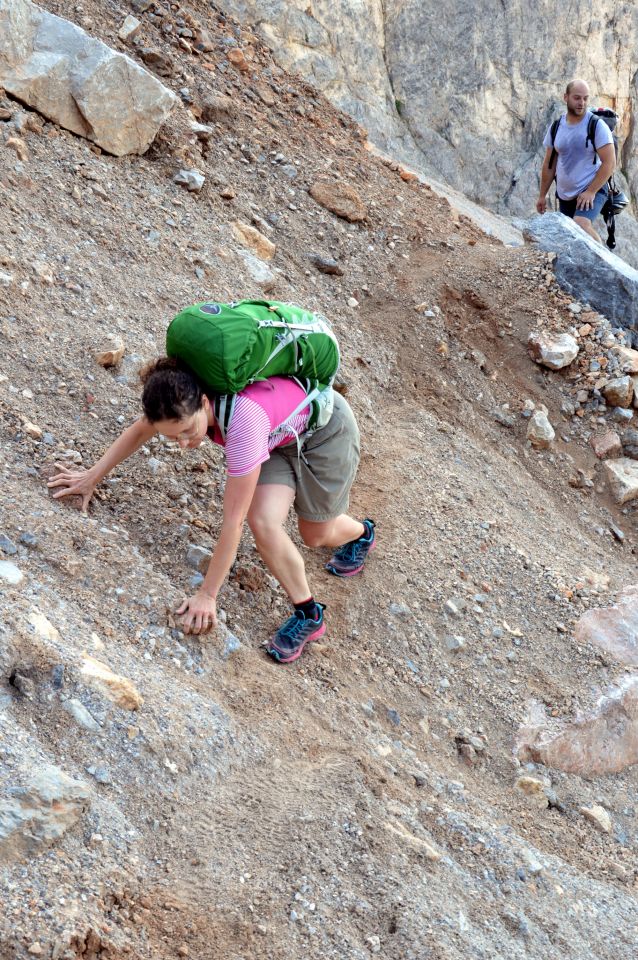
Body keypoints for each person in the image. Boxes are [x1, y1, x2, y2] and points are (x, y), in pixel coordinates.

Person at [47, 359, 375, 664]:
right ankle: (309, 614)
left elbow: (232, 523)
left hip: (325, 431)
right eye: (172, 437)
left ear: (205, 403)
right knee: (263, 522)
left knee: (316, 534)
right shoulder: (176, 397)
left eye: (188, 431)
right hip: (278, 436)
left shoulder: (243, 424)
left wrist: (207, 595)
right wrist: (90, 478)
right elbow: (137, 431)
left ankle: (363, 533)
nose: (184, 443)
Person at [536, 79, 615, 243]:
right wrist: (542, 195)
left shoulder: (596, 126)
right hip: (566, 196)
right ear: (566, 97)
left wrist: (591, 191)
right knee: (568, 238)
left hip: (591, 188)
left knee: (581, 224)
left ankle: (602, 264)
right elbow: (549, 165)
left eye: (585, 98)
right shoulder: (557, 126)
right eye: (577, 98)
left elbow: (609, 163)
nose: (582, 103)